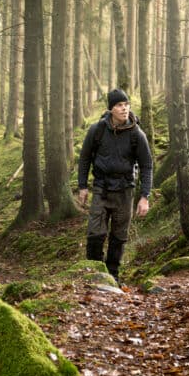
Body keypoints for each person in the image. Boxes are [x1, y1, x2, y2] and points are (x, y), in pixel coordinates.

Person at [76, 88, 153, 284]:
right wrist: (83, 186)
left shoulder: (137, 134)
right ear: (111, 109)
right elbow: (84, 158)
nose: (124, 108)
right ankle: (94, 274)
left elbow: (147, 165)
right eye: (119, 105)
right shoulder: (97, 130)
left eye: (126, 104)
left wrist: (145, 196)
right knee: (95, 233)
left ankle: (113, 278)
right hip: (101, 188)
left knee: (119, 236)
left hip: (125, 190)